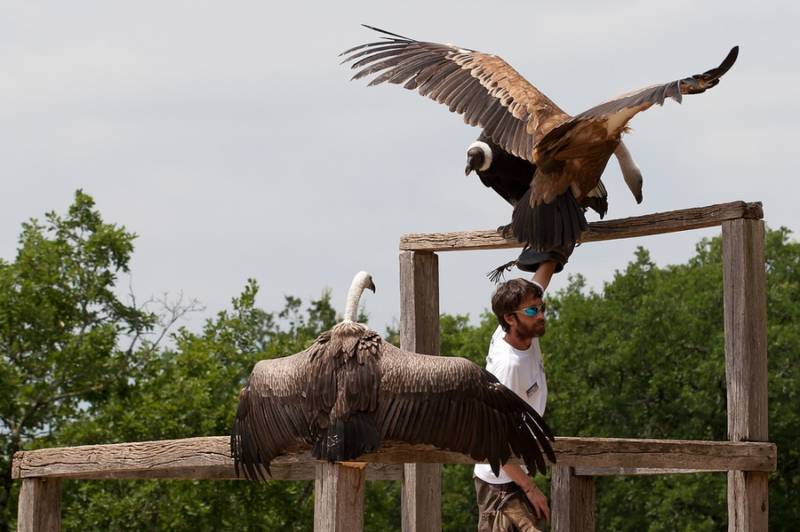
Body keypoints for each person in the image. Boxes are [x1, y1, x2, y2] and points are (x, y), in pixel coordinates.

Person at [473, 255, 558, 532]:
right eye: (533, 311)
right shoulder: (508, 368)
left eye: (541, 308)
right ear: (510, 318)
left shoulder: (520, 330)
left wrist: (556, 252)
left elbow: (540, 282)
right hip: (500, 482)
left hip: (516, 472)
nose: (541, 315)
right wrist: (530, 489)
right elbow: (492, 441)